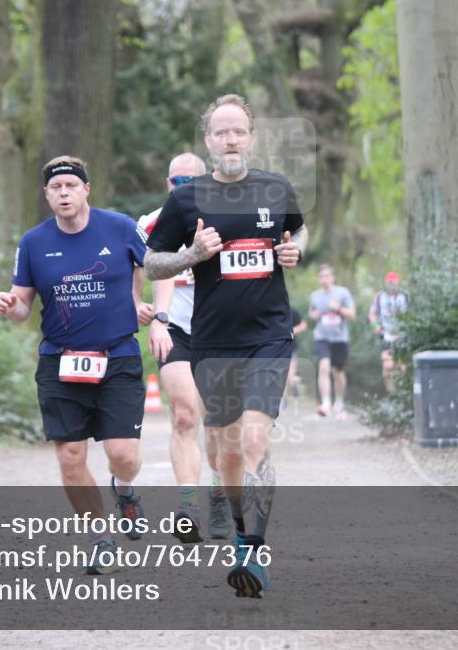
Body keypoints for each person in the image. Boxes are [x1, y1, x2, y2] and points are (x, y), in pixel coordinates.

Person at [144, 93, 308, 598]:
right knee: (228, 456)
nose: (231, 139)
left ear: (252, 138)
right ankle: (240, 533)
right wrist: (192, 254)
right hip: (215, 344)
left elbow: (298, 228)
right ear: (209, 141)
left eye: (239, 131)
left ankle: (252, 553)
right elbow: (152, 262)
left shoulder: (275, 188)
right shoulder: (187, 198)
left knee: (254, 441)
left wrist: (294, 249)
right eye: (221, 132)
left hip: (269, 337)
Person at [0, 155, 150, 575]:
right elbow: (23, 305)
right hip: (60, 360)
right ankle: (100, 538)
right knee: (69, 457)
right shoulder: (33, 242)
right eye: (55, 188)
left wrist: (140, 302)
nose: (63, 193)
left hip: (117, 356)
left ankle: (125, 487)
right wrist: (10, 306)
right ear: (47, 195)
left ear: (85, 190)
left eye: (70, 186)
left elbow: (152, 265)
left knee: (123, 455)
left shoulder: (119, 227)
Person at [139, 152, 233, 543]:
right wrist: (136, 307)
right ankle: (187, 505)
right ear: (168, 185)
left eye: (193, 181)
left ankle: (218, 493)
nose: (186, 188)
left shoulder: (228, 219)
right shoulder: (149, 223)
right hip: (174, 329)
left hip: (220, 329)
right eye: (178, 182)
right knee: (182, 416)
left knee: (219, 422)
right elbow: (135, 267)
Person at [308, 264, 356, 420]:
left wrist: (339, 308)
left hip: (340, 338)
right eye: (321, 276)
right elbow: (312, 313)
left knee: (338, 372)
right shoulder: (315, 295)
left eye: (327, 276)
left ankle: (340, 402)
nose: (324, 279)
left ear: (333, 277)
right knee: (324, 367)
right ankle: (326, 403)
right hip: (322, 336)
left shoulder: (342, 293)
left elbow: (352, 314)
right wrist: (314, 314)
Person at [369, 270, 408, 391]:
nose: (392, 285)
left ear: (398, 283)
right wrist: (375, 325)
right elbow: (372, 313)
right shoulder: (380, 296)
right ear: (386, 283)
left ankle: (403, 393)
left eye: (394, 283)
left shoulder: (405, 296)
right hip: (386, 334)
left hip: (402, 335)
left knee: (402, 366)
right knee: (387, 365)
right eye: (389, 283)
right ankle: (391, 393)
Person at [281, 307, 308, 411]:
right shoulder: (269, 311)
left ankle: (295, 383)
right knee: (282, 376)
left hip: (291, 350)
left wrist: (293, 331)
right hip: (275, 351)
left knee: (289, 377)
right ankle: (284, 401)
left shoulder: (292, 311)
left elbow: (304, 325)